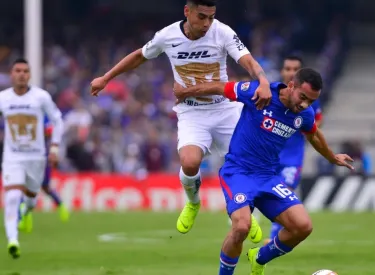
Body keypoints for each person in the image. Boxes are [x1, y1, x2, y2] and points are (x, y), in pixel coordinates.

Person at [90, 0, 270, 242]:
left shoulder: (222, 31)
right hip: (192, 113)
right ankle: (193, 203)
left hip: (225, 110)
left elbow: (247, 60)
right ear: (187, 11)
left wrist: (263, 81)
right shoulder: (168, 36)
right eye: (202, 17)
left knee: (243, 167)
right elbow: (139, 56)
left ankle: (246, 217)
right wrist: (106, 77)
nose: (207, 23)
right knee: (190, 161)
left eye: (211, 17)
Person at [174, 68, 354, 275]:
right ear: (291, 85)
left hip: (268, 177)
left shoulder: (304, 114)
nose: (305, 104)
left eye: (311, 101)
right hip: (239, 173)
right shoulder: (259, 93)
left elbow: (313, 135)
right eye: (303, 97)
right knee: (241, 227)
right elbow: (220, 87)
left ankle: (259, 257)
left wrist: (332, 157)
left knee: (303, 226)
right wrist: (186, 92)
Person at [0, 58, 64, 259]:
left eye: (25, 71)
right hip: (13, 157)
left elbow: (57, 119)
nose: (21, 74)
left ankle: (26, 211)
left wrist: (54, 146)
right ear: (11, 74)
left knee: (30, 200)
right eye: (17, 70)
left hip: (36, 157)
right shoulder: (3, 98)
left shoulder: (40, 97)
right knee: (11, 197)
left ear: (29, 75)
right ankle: (13, 241)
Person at [266, 56, 323, 244]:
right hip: (269, 156)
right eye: (288, 68)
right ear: (282, 71)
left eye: (295, 69)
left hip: (292, 157)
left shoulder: (309, 100)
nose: (291, 72)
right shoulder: (271, 94)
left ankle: (273, 238)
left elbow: (316, 125)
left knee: (285, 190)